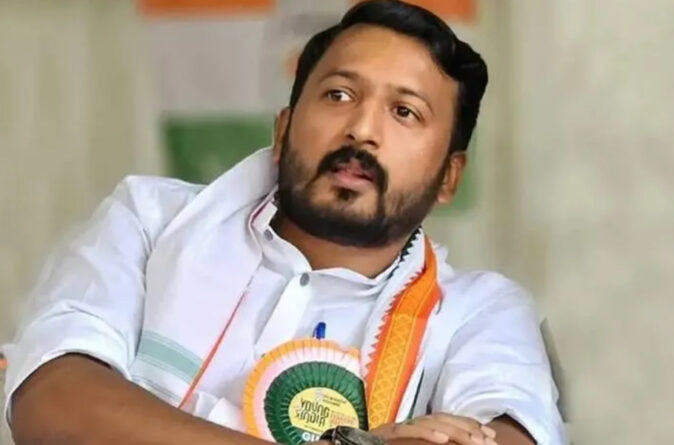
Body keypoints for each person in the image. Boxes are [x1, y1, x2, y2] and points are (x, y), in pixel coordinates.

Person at [3, 1, 565, 444]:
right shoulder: (150, 220)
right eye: (339, 94)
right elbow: (51, 401)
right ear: (283, 129)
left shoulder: (480, 312)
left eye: (404, 112)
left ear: (449, 176)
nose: (362, 130)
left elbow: (508, 437)